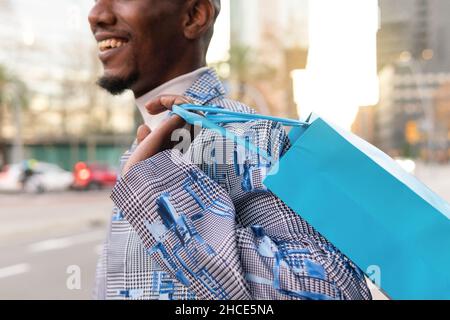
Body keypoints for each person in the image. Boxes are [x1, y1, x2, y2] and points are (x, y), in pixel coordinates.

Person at [89, 0, 372, 300]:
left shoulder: (247, 136)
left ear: (194, 16)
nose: (97, 14)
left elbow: (335, 291)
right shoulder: (146, 143)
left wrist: (163, 193)